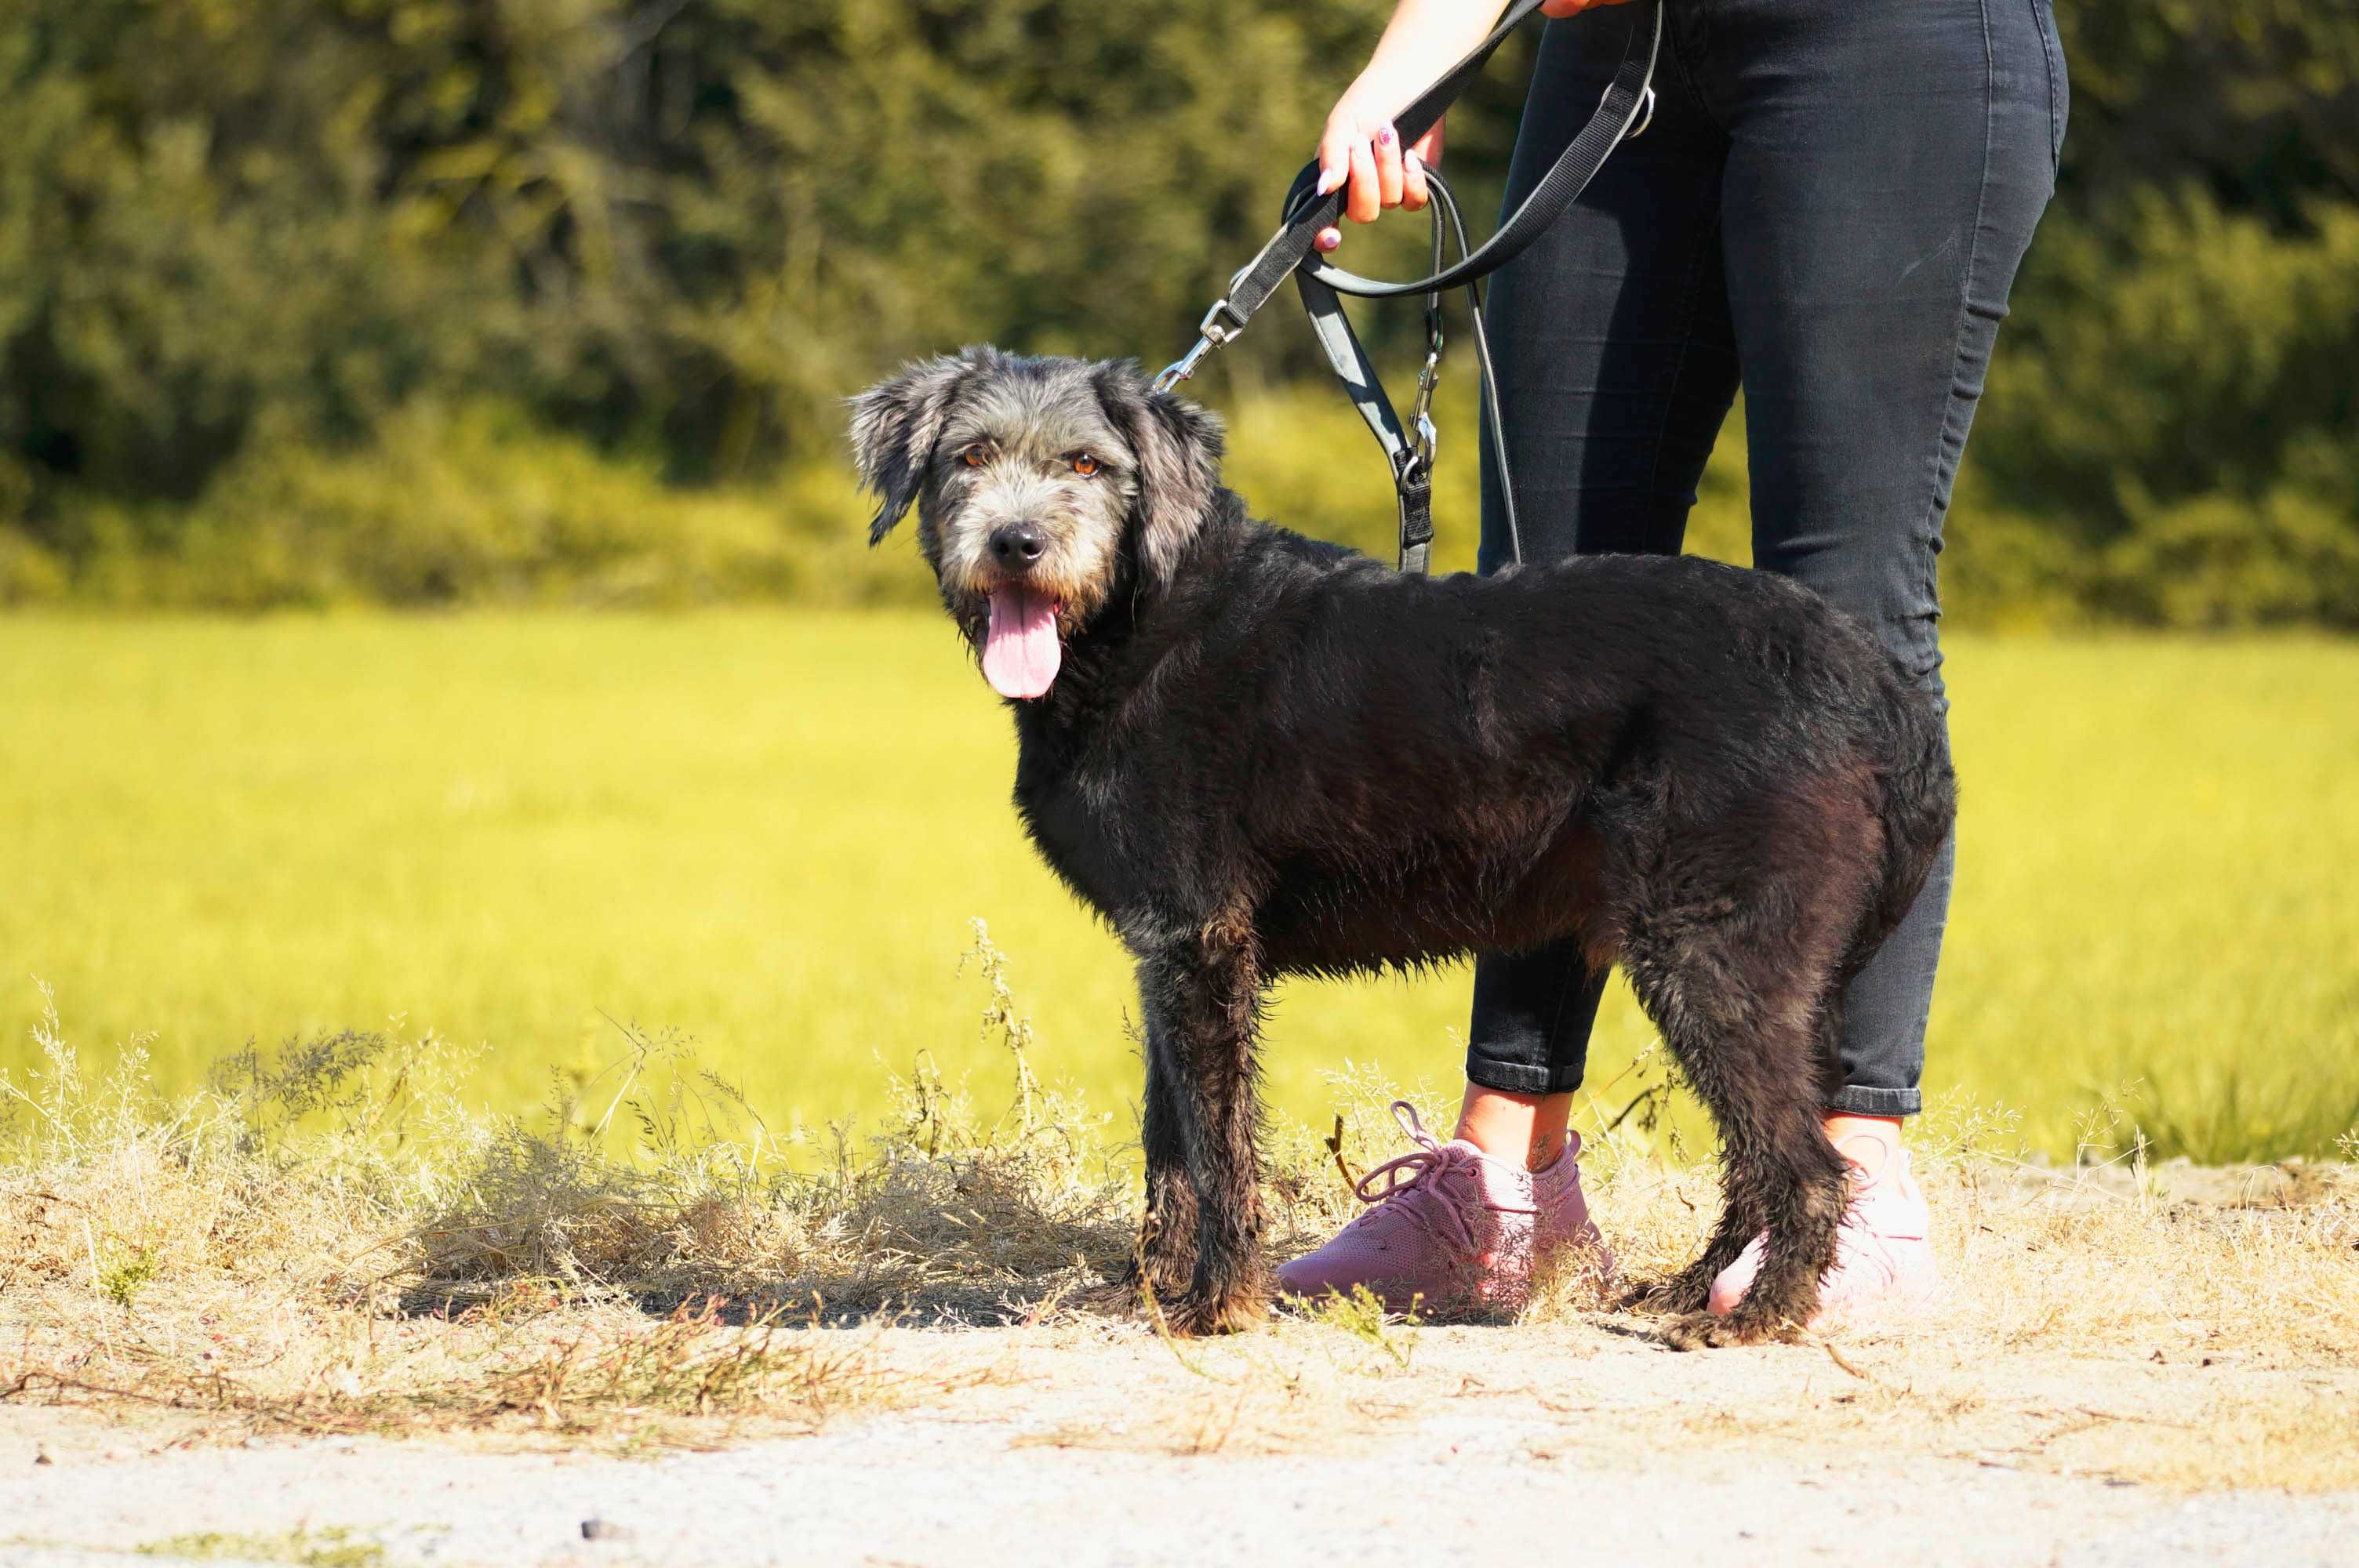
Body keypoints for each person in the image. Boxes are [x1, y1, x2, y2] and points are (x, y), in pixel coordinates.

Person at [1275, 0, 2065, 1319]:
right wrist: (1402, 74)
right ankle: (1507, 1178)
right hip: (1614, 55)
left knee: (1839, 608)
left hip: (1884, 49)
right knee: (1540, 621)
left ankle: (1854, 1176)